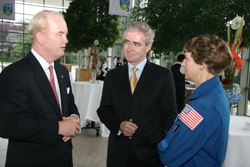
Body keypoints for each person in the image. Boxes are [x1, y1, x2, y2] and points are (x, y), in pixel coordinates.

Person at [0, 10, 80, 167]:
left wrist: (74, 119)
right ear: (40, 37)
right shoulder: (14, 74)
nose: (66, 40)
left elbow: (70, 105)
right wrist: (58, 127)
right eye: (60, 34)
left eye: (66, 34)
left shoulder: (62, 72)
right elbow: (8, 125)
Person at [97, 22, 178, 167]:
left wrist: (164, 147)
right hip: (118, 152)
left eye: (136, 44)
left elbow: (169, 115)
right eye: (127, 42)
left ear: (148, 47)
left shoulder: (163, 76)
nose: (129, 48)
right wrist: (119, 125)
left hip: (150, 154)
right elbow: (103, 110)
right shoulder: (112, 76)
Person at [158, 34, 232, 167]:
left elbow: (169, 154)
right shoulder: (217, 94)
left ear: (202, 63)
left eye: (187, 58)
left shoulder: (199, 108)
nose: (183, 64)